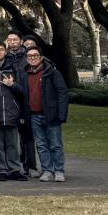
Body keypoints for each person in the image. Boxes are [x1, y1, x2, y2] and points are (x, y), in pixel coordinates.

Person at [23, 45, 69, 182]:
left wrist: (61, 114)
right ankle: (47, 170)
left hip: (51, 114)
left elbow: (63, 93)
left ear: (41, 58)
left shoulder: (51, 72)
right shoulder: (25, 73)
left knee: (55, 144)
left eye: (35, 56)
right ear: (26, 59)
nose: (32, 58)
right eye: (30, 56)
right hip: (34, 115)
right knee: (41, 145)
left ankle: (59, 170)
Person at [0, 41, 27, 180]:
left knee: (12, 144)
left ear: (5, 51)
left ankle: (15, 169)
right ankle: (2, 169)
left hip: (11, 112)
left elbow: (23, 91)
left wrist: (12, 85)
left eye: (1, 50)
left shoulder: (14, 68)